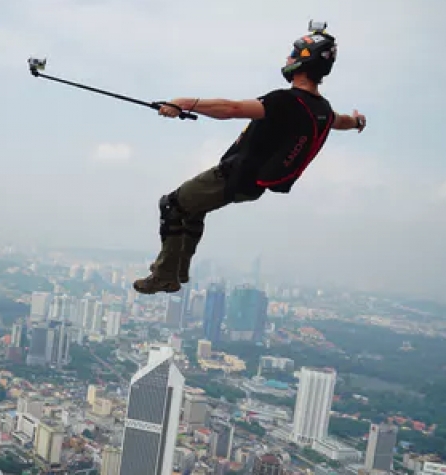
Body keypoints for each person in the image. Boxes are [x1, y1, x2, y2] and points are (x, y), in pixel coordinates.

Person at [133, 23, 367, 295]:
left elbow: (232, 109)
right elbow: (342, 121)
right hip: (251, 185)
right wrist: (358, 121)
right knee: (193, 208)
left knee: (172, 204)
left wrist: (183, 102)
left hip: (234, 174)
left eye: (293, 53)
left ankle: (165, 276)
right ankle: (178, 271)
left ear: (305, 60)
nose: (288, 59)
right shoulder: (322, 110)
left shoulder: (286, 101)